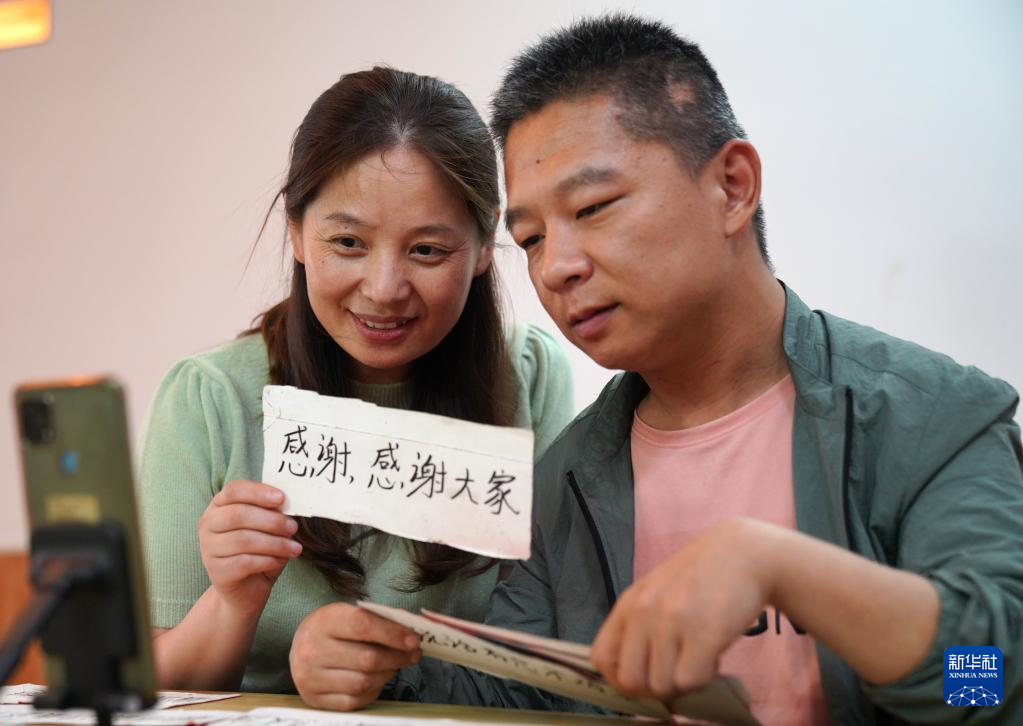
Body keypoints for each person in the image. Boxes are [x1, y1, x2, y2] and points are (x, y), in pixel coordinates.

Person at [295, 15, 1023, 723]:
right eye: (532, 237)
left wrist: (782, 569)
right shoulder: (569, 478)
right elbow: (523, 697)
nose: (557, 267)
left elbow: (991, 681)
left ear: (732, 186)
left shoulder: (930, 418)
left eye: (594, 207)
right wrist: (379, 667)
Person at [136, 66, 574, 695]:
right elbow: (157, 684)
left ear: (484, 244)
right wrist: (235, 600)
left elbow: (554, 639)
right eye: (347, 242)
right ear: (296, 231)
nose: (384, 288)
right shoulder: (208, 399)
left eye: (427, 250)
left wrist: (400, 674)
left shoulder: (529, 375)